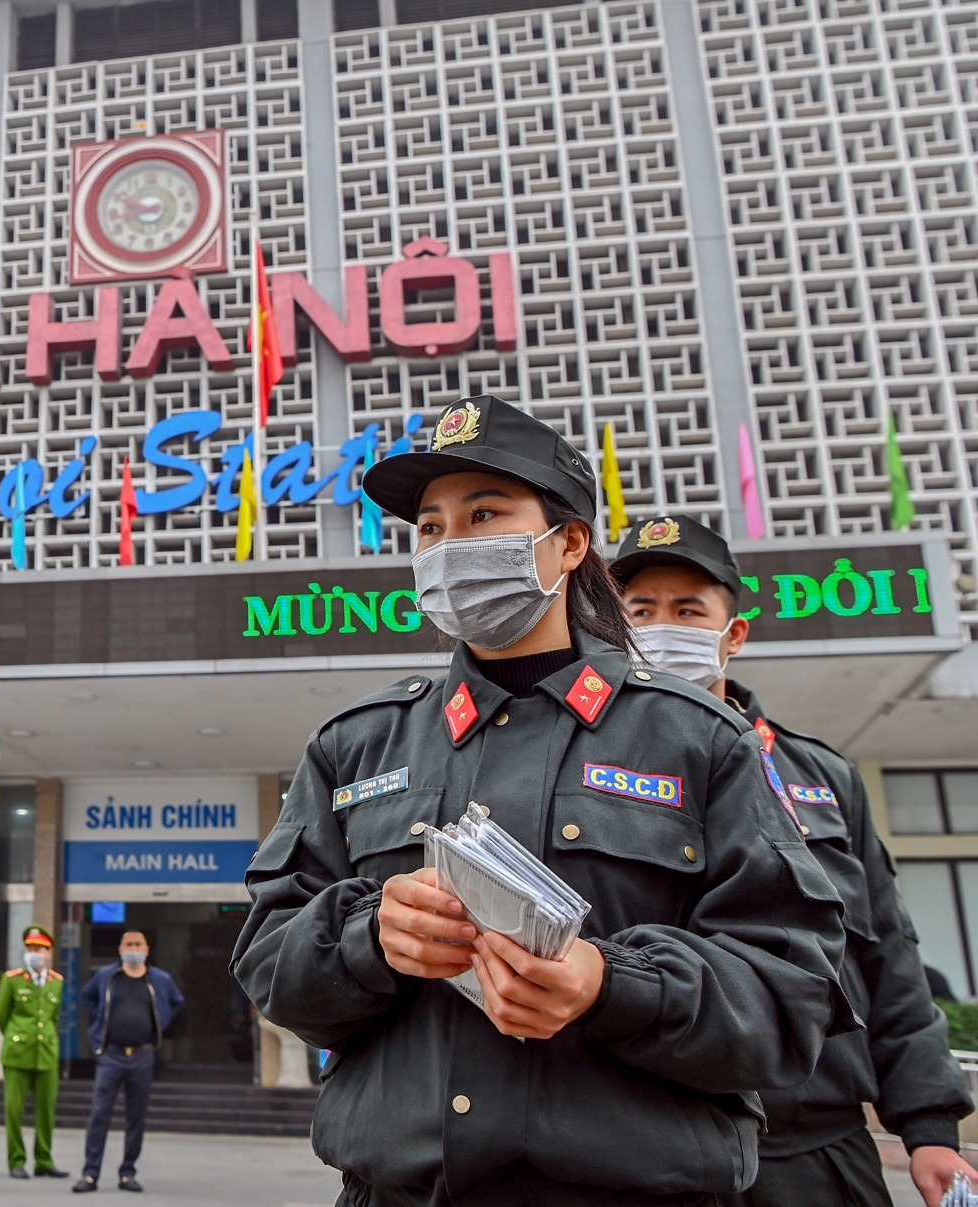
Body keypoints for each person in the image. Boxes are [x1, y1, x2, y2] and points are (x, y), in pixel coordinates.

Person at [231, 394, 851, 1205]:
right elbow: (268, 966)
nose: (451, 546)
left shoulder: (697, 740)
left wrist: (612, 984)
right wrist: (368, 936)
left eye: (485, 513)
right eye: (431, 527)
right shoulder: (356, 744)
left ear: (568, 543)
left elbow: (788, 1001)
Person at [613, 513, 976, 1207]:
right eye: (642, 609)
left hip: (815, 1149)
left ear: (734, 634)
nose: (664, 626)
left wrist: (929, 1125)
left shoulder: (821, 776)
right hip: (646, 1142)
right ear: (614, 628)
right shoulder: (583, 771)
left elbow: (888, 956)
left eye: (688, 609)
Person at [74, 930, 184, 1194]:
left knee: (136, 1116)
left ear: (146, 949)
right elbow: (87, 997)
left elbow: (176, 1002)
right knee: (99, 1114)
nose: (133, 948)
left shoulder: (159, 979)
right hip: (111, 1055)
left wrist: (160, 1025)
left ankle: (127, 1172)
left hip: (142, 1056)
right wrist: (100, 1024)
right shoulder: (107, 976)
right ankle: (90, 1174)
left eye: (138, 944)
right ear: (120, 949)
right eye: (129, 944)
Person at [0, 924, 68, 1180]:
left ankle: (44, 1160)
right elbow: (1, 1016)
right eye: (29, 948)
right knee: (14, 1109)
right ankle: (16, 1160)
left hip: (46, 1053)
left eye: (38, 948)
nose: (33, 953)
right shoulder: (13, 979)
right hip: (18, 1053)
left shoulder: (56, 982)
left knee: (46, 1110)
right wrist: (17, 1037)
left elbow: (55, 1016)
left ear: (49, 952)